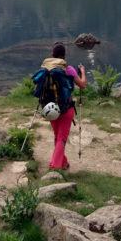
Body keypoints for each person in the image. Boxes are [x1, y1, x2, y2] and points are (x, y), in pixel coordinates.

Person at [40, 42, 87, 171]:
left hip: (50, 108)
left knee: (57, 137)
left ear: (52, 55)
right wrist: (82, 71)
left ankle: (63, 163)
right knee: (62, 138)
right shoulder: (69, 69)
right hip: (66, 108)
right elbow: (82, 85)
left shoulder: (46, 68)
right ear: (64, 56)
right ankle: (54, 166)